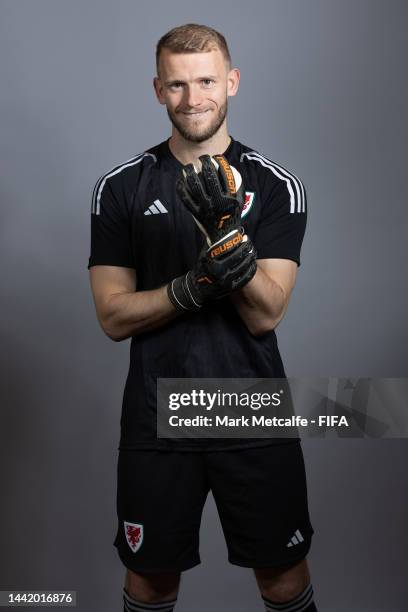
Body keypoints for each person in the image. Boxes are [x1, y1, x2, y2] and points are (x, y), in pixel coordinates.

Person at [88, 23, 317, 612]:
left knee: (283, 580)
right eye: (178, 85)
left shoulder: (276, 184)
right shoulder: (120, 189)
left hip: (250, 408)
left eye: (208, 81)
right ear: (158, 89)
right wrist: (192, 288)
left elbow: (267, 314)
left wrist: (222, 230)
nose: (194, 100)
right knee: (150, 583)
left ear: (232, 82)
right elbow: (113, 316)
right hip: (156, 413)